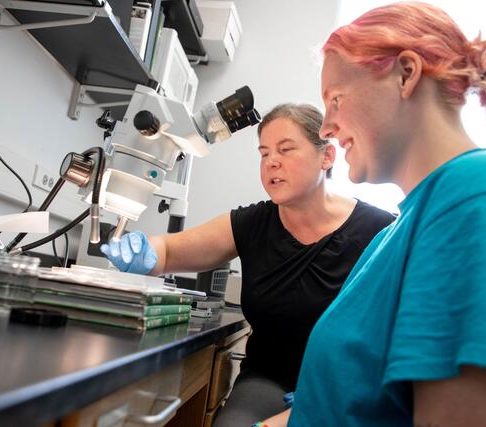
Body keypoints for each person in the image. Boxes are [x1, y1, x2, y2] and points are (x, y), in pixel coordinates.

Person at [258, 2, 486, 427]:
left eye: (335, 99)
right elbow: (346, 401)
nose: (327, 126)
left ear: (406, 74)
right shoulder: (399, 232)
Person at [100, 103, 396, 425]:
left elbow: (398, 336)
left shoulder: (380, 231)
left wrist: (335, 393)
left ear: (326, 157)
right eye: (264, 153)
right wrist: (146, 252)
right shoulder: (252, 223)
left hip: (345, 386)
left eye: (286, 149)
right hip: (267, 379)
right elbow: (169, 252)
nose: (272, 162)